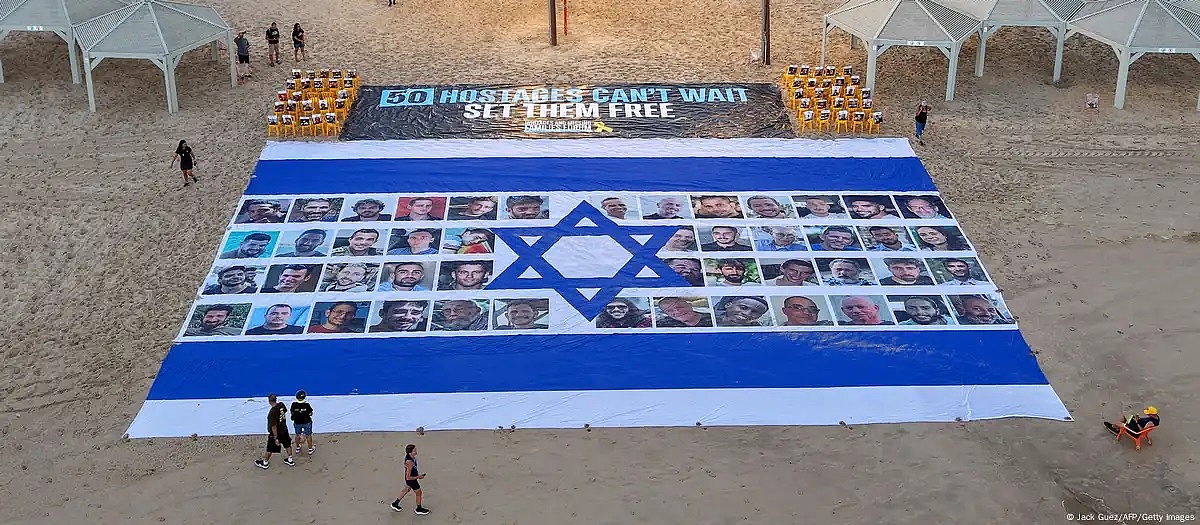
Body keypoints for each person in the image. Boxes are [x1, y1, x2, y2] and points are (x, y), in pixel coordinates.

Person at [254, 393, 295, 469]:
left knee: (270, 448)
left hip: (276, 433)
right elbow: (284, 412)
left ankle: (265, 462)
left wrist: (276, 438)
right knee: (287, 444)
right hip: (284, 429)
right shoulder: (281, 405)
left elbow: (274, 427)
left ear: (269, 401)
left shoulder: (272, 413)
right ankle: (290, 459)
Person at [391, 444, 430, 515]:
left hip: (411, 480)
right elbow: (408, 477)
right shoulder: (410, 462)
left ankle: (395, 503)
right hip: (412, 480)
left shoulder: (411, 457)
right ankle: (419, 509)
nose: (416, 451)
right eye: (414, 451)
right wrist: (418, 477)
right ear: (410, 452)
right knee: (419, 493)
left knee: (407, 489)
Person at [290, 390, 315, 455]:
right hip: (307, 422)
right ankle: (310, 449)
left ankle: (298, 448)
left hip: (297, 423)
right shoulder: (307, 405)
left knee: (297, 435)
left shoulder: (293, 405)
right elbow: (311, 413)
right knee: (308, 435)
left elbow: (292, 412)